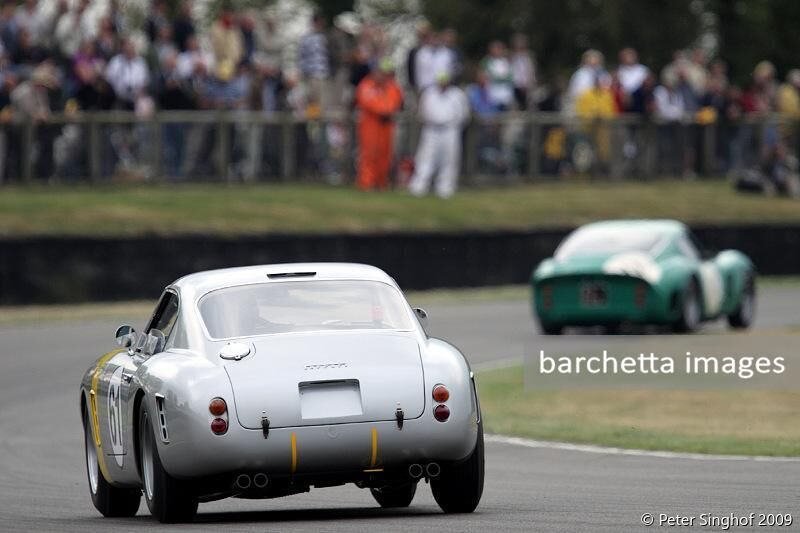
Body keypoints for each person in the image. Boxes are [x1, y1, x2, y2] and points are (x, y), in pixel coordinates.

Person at [409, 72, 469, 199]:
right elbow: (422, 112)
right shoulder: (429, 93)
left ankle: (445, 187)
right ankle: (420, 185)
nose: (442, 84)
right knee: (425, 157)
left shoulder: (457, 94)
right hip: (431, 129)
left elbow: (464, 114)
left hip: (450, 129)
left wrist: (454, 125)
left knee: (450, 158)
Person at [354, 57, 403, 190]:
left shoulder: (391, 86)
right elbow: (367, 101)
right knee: (369, 153)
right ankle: (366, 182)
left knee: (385, 153)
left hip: (386, 124)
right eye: (382, 72)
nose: (384, 76)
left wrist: (387, 110)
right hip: (370, 124)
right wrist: (383, 110)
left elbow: (395, 101)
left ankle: (381, 182)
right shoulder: (366, 85)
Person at [510, 33, 535, 110]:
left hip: (526, 85)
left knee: (527, 106)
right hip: (514, 84)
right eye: (517, 43)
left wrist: (529, 83)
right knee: (515, 106)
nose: (519, 45)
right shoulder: (511, 56)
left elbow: (531, 71)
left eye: (521, 43)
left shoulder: (529, 56)